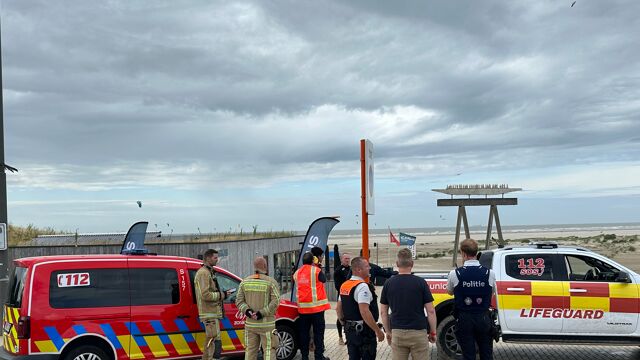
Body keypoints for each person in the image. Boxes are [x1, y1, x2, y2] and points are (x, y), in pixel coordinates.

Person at [380, 248, 437, 360]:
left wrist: (388, 332)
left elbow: (383, 312)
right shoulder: (421, 282)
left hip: (397, 332)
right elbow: (431, 311)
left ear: (397, 264)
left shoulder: (388, 283)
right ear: (412, 263)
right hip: (419, 332)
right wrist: (433, 332)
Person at [447, 238, 496, 360]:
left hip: (464, 318)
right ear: (476, 252)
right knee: (487, 354)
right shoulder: (489, 273)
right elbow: (492, 293)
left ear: (463, 254)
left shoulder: (455, 274)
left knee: (468, 355)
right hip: (483, 317)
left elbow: (449, 292)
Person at [336, 256, 384, 360]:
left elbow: (338, 309)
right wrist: (377, 331)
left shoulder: (345, 285)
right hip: (364, 334)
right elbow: (365, 312)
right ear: (359, 269)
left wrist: (344, 324)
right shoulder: (362, 287)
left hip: (350, 333)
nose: (369, 268)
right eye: (367, 266)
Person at [236, 257, 281, 360]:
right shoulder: (271, 282)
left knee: (250, 351)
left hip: (250, 324)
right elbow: (276, 301)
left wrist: (248, 311)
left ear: (254, 267)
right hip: (267, 325)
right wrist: (261, 313)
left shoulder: (245, 282)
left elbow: (239, 301)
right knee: (269, 350)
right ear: (265, 266)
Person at [195, 249, 232, 360]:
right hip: (209, 313)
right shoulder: (203, 273)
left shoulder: (208, 272)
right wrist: (222, 295)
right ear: (208, 258)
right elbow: (205, 295)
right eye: (215, 258)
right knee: (212, 339)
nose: (217, 260)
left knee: (212, 339)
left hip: (212, 313)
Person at [294, 250, 331, 360]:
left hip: (303, 310)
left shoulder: (297, 273)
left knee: (304, 334)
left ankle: (305, 357)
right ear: (312, 260)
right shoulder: (316, 270)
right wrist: (317, 265)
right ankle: (318, 356)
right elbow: (324, 280)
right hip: (317, 309)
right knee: (318, 334)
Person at [333, 251, 351, 345]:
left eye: (348, 259)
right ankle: (340, 337)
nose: (347, 260)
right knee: (340, 316)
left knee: (350, 316)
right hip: (342, 296)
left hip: (351, 297)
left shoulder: (352, 269)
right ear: (341, 259)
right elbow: (337, 286)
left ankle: (349, 337)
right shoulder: (338, 270)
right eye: (346, 259)